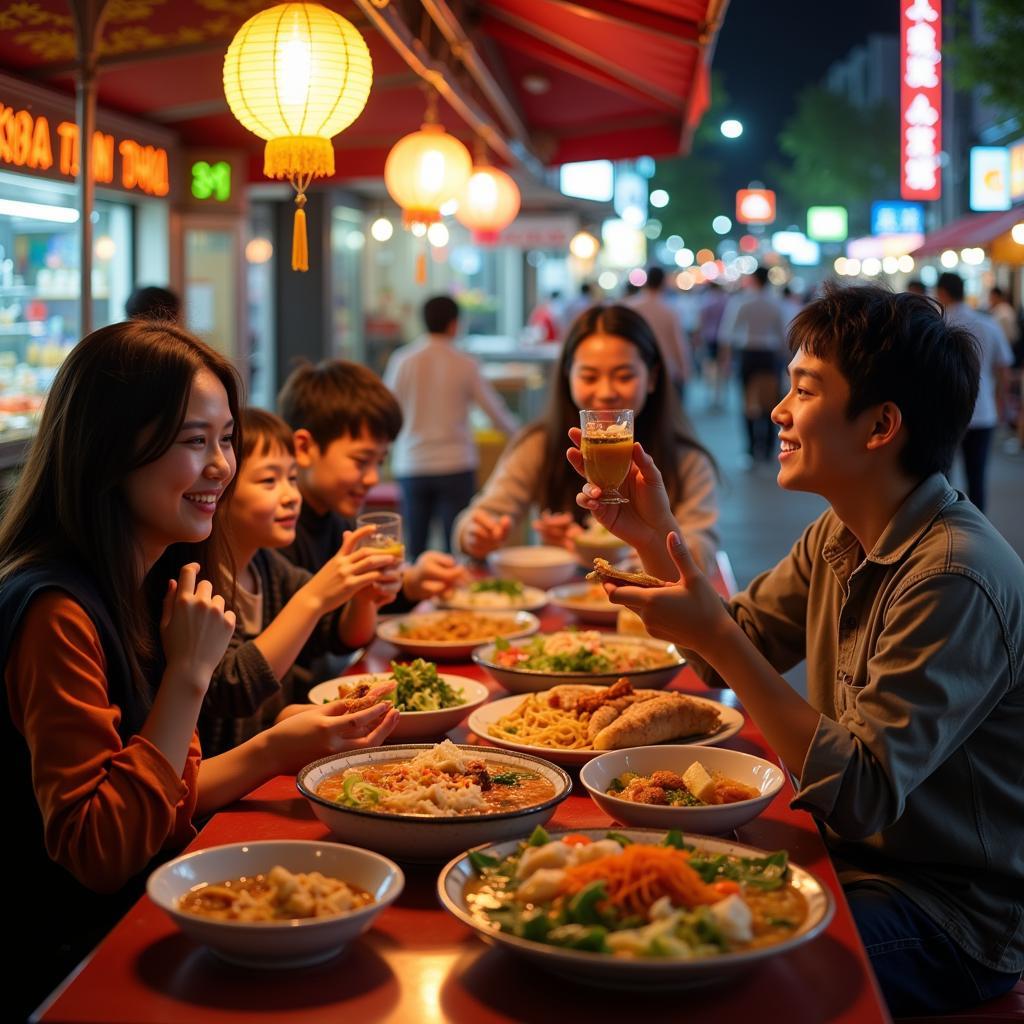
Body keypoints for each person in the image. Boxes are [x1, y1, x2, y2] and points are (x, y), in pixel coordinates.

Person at [571, 284, 1024, 1018]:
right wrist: (655, 541)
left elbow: (859, 794)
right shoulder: (842, 532)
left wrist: (714, 631)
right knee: (624, 900)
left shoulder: (953, 577)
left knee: (694, 965)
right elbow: (731, 651)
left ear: (880, 425)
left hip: (947, 918)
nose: (778, 410)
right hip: (852, 865)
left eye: (805, 389)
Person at [0, 321, 397, 1017]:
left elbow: (164, 791)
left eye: (224, 440)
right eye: (193, 441)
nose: (222, 466)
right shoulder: (53, 610)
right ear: (110, 451)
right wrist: (188, 675)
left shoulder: (156, 581)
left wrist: (279, 747)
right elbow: (100, 851)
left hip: (156, 918)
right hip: (80, 966)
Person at [453, 303, 719, 572]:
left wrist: (646, 551)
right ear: (568, 376)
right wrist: (477, 534)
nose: (605, 392)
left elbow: (704, 549)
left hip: (653, 609)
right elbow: (480, 517)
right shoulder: (540, 444)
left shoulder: (686, 459)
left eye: (624, 376)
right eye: (589, 376)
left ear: (652, 377)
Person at [199, 409, 403, 756]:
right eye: (269, 481)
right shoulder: (205, 583)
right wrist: (314, 597)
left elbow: (340, 636)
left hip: (271, 764)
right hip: (217, 783)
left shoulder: (269, 567)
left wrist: (364, 596)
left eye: (292, 478)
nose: (291, 495)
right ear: (219, 490)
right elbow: (234, 688)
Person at [276, 359, 466, 603]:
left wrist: (411, 582)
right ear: (303, 448)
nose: (373, 478)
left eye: (379, 462)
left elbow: (353, 604)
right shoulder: (278, 533)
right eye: (361, 460)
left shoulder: (335, 519)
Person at [384, 295, 519, 560]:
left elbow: (386, 409)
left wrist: (384, 453)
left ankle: (416, 599)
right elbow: (495, 413)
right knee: (458, 550)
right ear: (454, 324)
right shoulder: (465, 363)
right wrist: (523, 439)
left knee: (416, 551)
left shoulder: (403, 360)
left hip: (413, 463)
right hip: (456, 464)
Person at [935, 272, 1013, 512]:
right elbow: (1003, 370)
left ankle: (939, 531)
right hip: (983, 412)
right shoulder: (988, 324)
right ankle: (978, 534)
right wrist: (1002, 404)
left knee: (940, 480)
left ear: (942, 293)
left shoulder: (937, 324)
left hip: (944, 413)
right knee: (977, 476)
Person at [719, 266, 788, 464]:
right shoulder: (775, 302)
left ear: (753, 280)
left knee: (747, 402)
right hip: (769, 356)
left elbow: (728, 332)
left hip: (748, 355)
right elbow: (783, 335)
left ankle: (750, 448)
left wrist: (725, 359)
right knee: (770, 403)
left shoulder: (742, 301)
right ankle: (767, 448)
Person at [628, 266, 690, 400]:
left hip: (635, 367)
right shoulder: (669, 310)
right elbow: (677, 343)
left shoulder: (631, 307)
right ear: (663, 283)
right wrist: (684, 369)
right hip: (666, 369)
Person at [697, 283, 731, 410]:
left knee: (709, 368)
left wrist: (698, 338)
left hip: (709, 338)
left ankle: (710, 396)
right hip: (724, 338)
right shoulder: (726, 300)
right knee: (723, 369)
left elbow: (700, 321)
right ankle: (720, 396)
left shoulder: (706, 301)